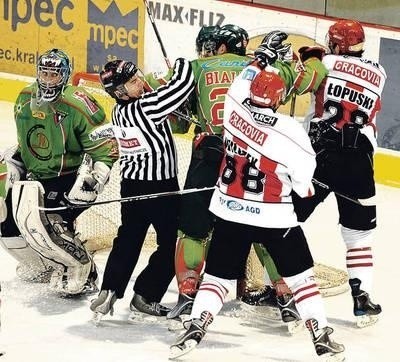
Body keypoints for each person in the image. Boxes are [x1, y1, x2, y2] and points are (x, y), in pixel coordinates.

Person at [169, 63, 344, 361]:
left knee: (216, 279)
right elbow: (303, 184)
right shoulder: (289, 131)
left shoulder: (233, 111)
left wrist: (260, 60)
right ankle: (321, 335)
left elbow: (239, 82)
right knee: (302, 279)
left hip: (229, 213)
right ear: (279, 98)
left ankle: (196, 326)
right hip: (274, 218)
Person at [292, 19, 386, 328]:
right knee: (358, 236)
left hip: (320, 156)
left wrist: (308, 59)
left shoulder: (325, 62)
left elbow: (306, 80)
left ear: (335, 43)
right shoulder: (380, 73)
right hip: (360, 160)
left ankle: (280, 292)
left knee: (285, 221)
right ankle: (362, 298)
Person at [0, 48, 117, 296]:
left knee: (48, 223)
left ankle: (84, 269)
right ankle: (42, 266)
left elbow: (106, 147)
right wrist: (13, 163)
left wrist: (97, 177)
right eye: (44, 73)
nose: (48, 79)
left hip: (69, 176)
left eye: (54, 74)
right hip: (36, 176)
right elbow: (26, 143)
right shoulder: (24, 97)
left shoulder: (79, 103)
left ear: (64, 75)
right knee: (7, 223)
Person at [89, 57, 195, 322]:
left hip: (132, 187)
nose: (141, 82)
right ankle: (145, 295)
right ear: (120, 92)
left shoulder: (120, 111)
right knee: (172, 244)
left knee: (128, 238)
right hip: (160, 189)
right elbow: (184, 84)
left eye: (138, 75)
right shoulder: (148, 107)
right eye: (134, 81)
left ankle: (110, 288)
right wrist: (182, 62)